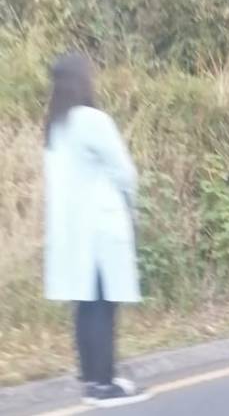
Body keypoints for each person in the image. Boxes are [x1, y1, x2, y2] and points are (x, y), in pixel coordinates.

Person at [43, 53, 151, 407]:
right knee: (103, 305)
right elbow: (125, 171)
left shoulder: (54, 126)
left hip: (72, 231)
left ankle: (92, 376)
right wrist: (130, 205)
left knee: (86, 305)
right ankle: (104, 385)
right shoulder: (93, 120)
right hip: (102, 228)